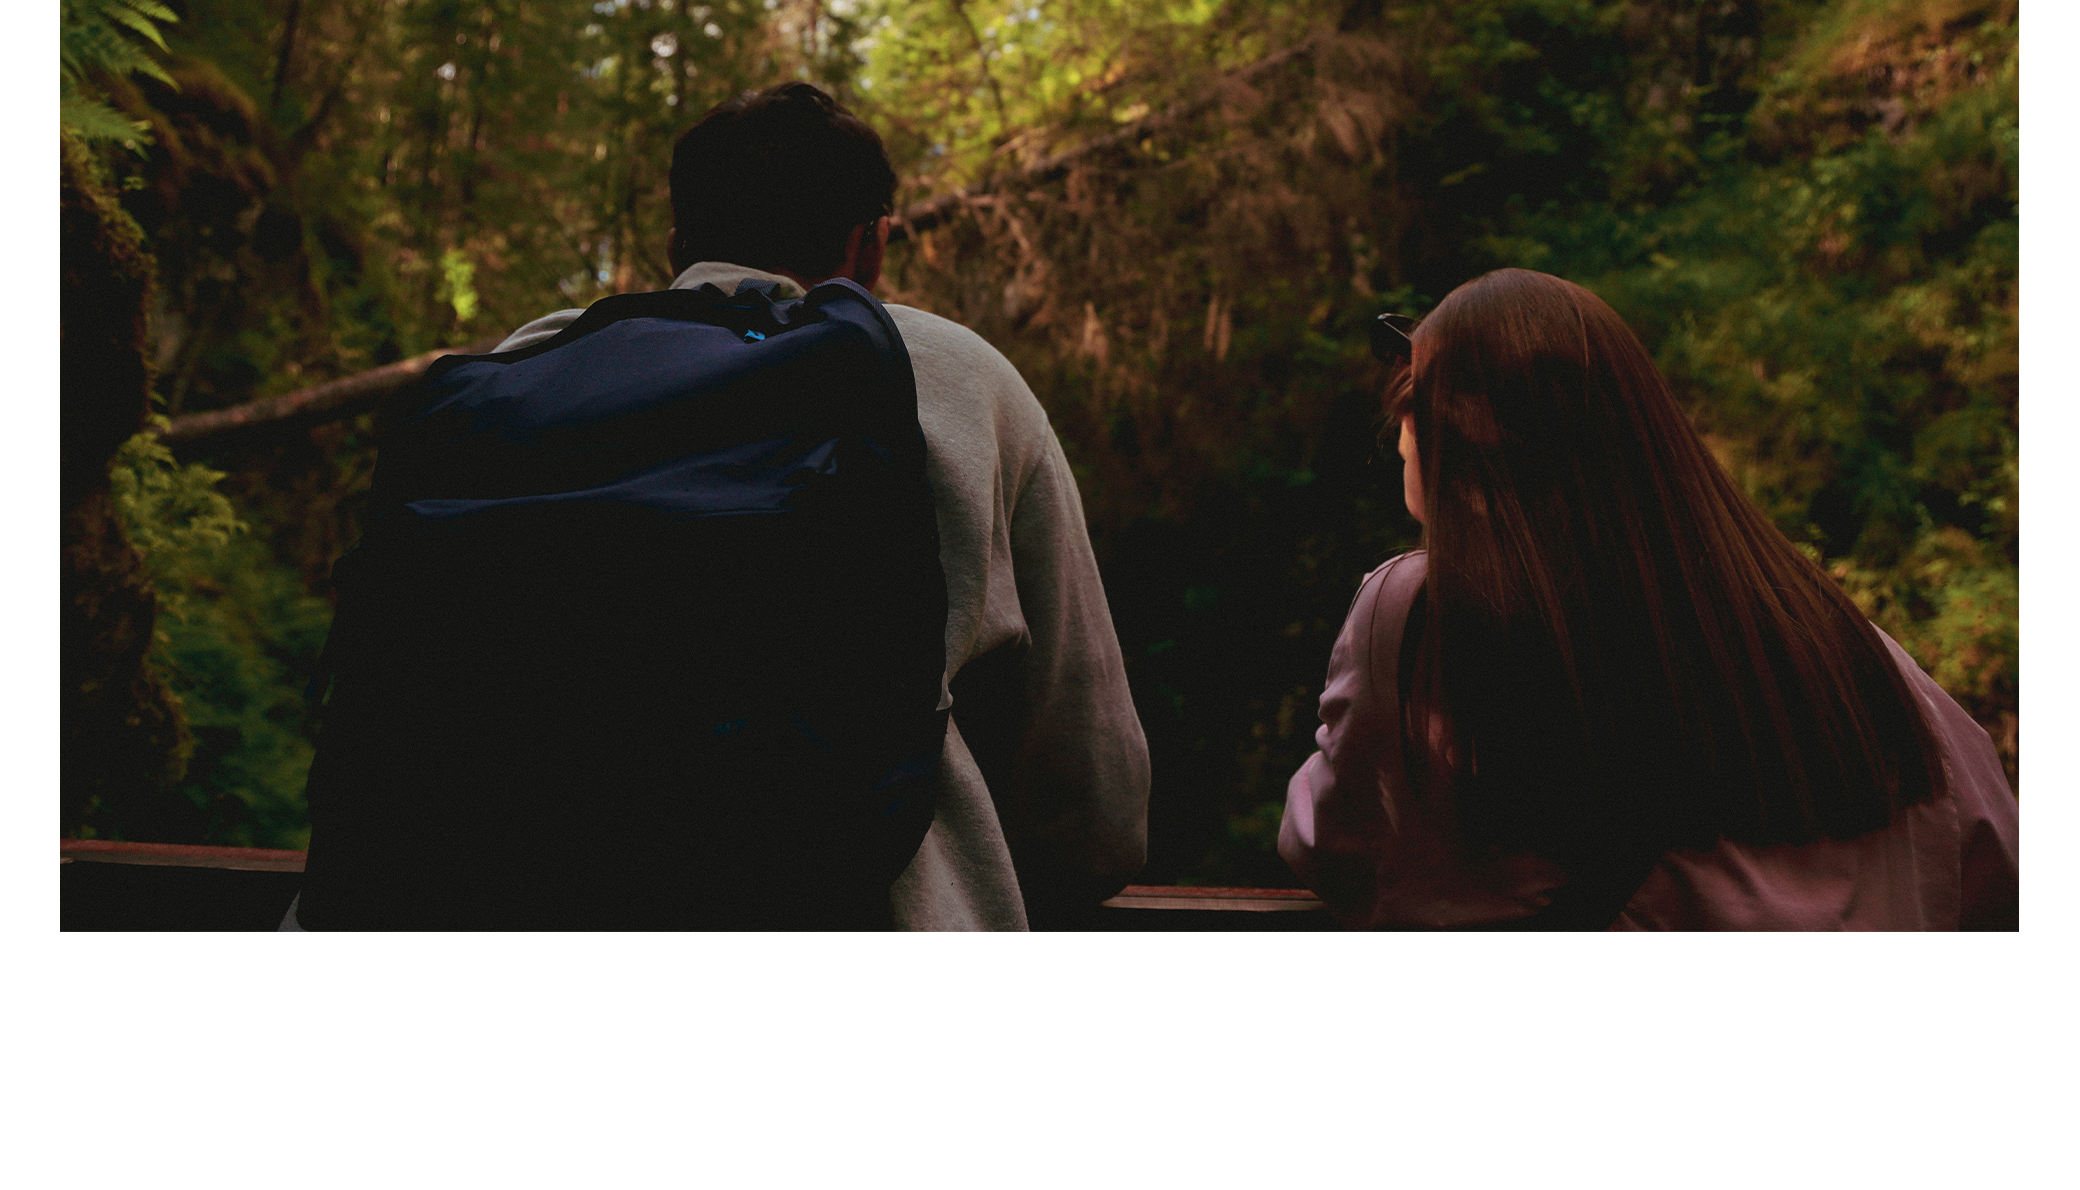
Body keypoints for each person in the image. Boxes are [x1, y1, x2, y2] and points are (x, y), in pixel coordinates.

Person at [489, 81, 1149, 931]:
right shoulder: (959, 377)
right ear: (870, 249)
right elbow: (1093, 804)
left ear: (677, 244)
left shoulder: (531, 365)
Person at [1278, 268, 2018, 930]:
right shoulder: (1839, 639)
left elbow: (1347, 847)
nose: (1401, 432)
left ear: (1452, 430)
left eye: (1411, 399)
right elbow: (1995, 856)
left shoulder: (1422, 614)